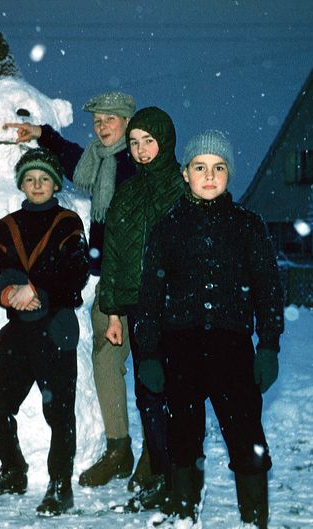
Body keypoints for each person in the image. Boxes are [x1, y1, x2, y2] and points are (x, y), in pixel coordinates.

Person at [134, 130, 284, 528]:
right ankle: (185, 515)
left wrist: (268, 345)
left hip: (232, 348)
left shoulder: (248, 226)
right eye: (200, 167)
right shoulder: (167, 228)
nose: (210, 175)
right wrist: (148, 353)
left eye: (219, 168)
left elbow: (269, 289)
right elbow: (149, 297)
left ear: (229, 174)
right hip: (179, 348)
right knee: (183, 438)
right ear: (185, 173)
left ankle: (254, 520)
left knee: (246, 435)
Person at [4, 92, 142, 489]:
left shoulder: (137, 164)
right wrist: (40, 134)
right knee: (105, 360)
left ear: (128, 122)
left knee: (155, 370)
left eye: (110, 120)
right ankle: (120, 447)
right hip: (107, 280)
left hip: (141, 279)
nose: (102, 126)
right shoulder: (101, 161)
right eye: (97, 120)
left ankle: (159, 456)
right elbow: (71, 157)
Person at [0, 148, 90, 516]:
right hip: (18, 329)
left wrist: (35, 289)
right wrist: (8, 292)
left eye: (44, 179)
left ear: (55, 183)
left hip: (56, 329)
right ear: (22, 184)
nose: (37, 185)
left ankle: (59, 485)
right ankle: (12, 470)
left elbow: (76, 272)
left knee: (59, 411)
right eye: (30, 179)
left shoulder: (69, 223)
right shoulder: (7, 226)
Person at [98, 106, 185, 511]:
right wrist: (113, 312)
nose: (142, 150)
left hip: (176, 309)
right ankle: (158, 472)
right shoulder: (127, 192)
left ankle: (176, 476)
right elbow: (113, 255)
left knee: (178, 392)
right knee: (148, 393)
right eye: (134, 143)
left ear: (164, 141)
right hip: (138, 310)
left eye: (148, 141)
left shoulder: (184, 186)